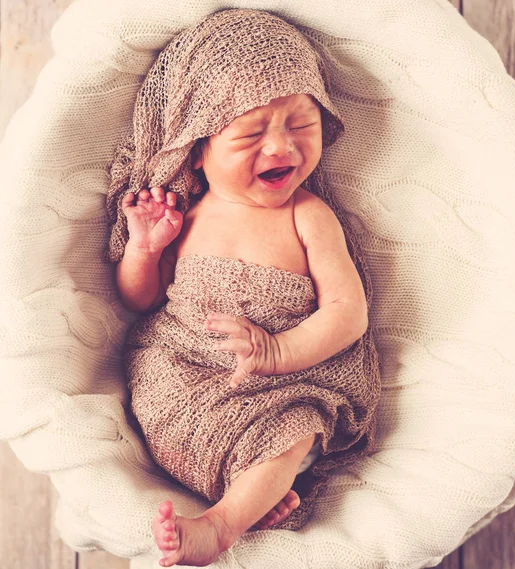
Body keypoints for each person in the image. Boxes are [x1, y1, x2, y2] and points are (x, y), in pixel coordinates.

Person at [106, 9, 381, 568]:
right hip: (185, 371)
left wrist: (278, 353)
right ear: (200, 146)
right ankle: (252, 492)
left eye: (301, 126)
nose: (281, 148)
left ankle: (223, 521)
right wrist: (145, 249)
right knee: (158, 392)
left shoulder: (310, 215)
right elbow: (142, 301)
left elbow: (348, 313)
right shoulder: (188, 214)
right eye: (252, 134)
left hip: (287, 381)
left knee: (294, 430)